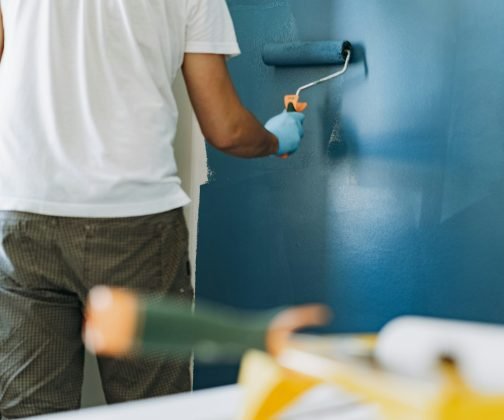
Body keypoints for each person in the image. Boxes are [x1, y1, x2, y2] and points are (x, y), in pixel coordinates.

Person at [0, 1, 324, 418]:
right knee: (152, 410)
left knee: (31, 411)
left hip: (22, 213)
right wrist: (275, 139)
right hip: (133, 225)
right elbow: (226, 130)